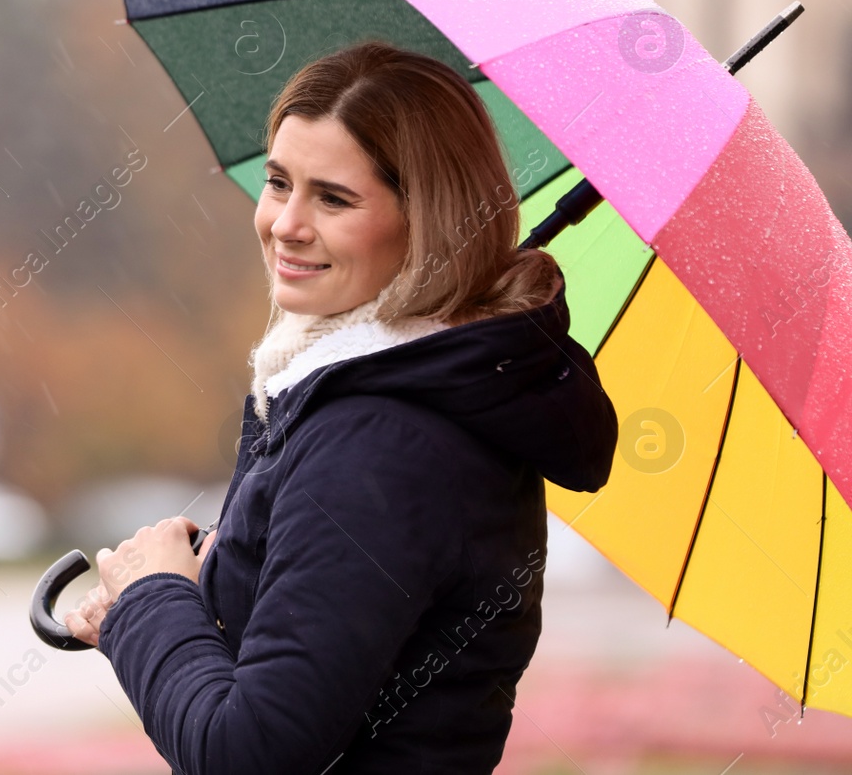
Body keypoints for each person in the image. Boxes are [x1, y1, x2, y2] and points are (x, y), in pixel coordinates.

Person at [63, 40, 618, 773]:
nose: (286, 224)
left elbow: (247, 753)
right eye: (278, 182)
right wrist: (189, 597)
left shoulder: (384, 446)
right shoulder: (374, 393)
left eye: (333, 197)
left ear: (428, 219)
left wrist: (154, 598)